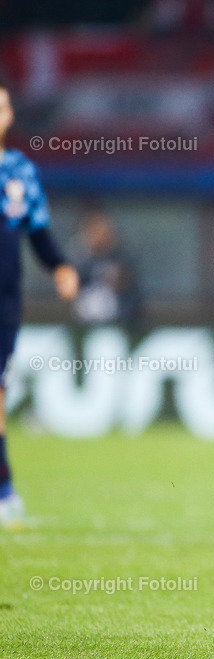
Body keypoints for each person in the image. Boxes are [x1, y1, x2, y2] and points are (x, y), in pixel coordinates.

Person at [0, 80, 79, 529]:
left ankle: (4, 489)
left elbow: (38, 232)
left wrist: (60, 266)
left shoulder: (19, 171)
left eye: (4, 105)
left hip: (5, 299)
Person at [73, 208, 143, 329]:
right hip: (85, 323)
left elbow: (131, 293)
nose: (97, 234)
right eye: (92, 230)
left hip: (120, 324)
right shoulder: (81, 259)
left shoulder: (123, 258)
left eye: (100, 229)